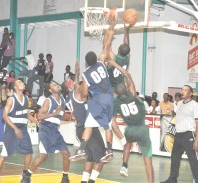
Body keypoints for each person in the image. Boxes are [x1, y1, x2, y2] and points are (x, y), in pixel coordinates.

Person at [70, 17, 117, 162]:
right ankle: (109, 150)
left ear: (86, 62)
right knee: (108, 125)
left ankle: (81, 149)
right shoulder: (101, 62)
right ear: (95, 58)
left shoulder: (86, 74)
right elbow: (106, 45)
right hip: (110, 98)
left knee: (89, 124)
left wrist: (88, 93)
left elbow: (84, 93)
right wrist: (111, 27)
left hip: (98, 100)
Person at [66, 61, 106, 183]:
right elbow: (83, 88)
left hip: (80, 129)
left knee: (90, 158)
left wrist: (77, 70)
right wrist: (88, 72)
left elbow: (76, 82)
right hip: (88, 129)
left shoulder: (71, 96)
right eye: (79, 85)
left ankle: (84, 181)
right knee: (102, 156)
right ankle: (91, 181)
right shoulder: (80, 95)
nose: (79, 85)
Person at [111, 69, 154, 183]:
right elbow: (128, 76)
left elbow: (113, 122)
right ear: (127, 89)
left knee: (127, 143)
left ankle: (124, 165)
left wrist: (120, 137)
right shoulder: (133, 95)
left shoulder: (116, 102)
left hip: (129, 129)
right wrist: (122, 69)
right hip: (141, 128)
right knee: (148, 160)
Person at [0, 80, 38, 183]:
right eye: (20, 83)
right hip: (11, 129)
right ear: (15, 87)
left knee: (29, 152)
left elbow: (25, 113)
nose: (23, 84)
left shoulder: (26, 98)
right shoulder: (11, 100)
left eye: (23, 83)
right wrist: (15, 129)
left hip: (23, 129)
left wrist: (35, 121)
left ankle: (24, 176)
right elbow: (4, 115)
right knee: (4, 153)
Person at [27, 82, 70, 183]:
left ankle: (65, 178)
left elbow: (61, 116)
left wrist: (71, 117)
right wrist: (54, 113)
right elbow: (40, 116)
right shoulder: (48, 101)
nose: (57, 85)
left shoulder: (63, 100)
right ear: (50, 90)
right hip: (45, 129)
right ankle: (27, 175)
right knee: (43, 156)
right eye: (54, 85)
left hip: (55, 130)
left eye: (57, 84)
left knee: (66, 153)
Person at [161, 85, 198, 183]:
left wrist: (197, 140)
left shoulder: (195, 105)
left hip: (189, 135)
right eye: (182, 90)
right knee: (175, 157)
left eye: (185, 90)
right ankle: (172, 179)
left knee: (193, 160)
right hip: (178, 134)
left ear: (190, 93)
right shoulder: (179, 103)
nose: (183, 91)